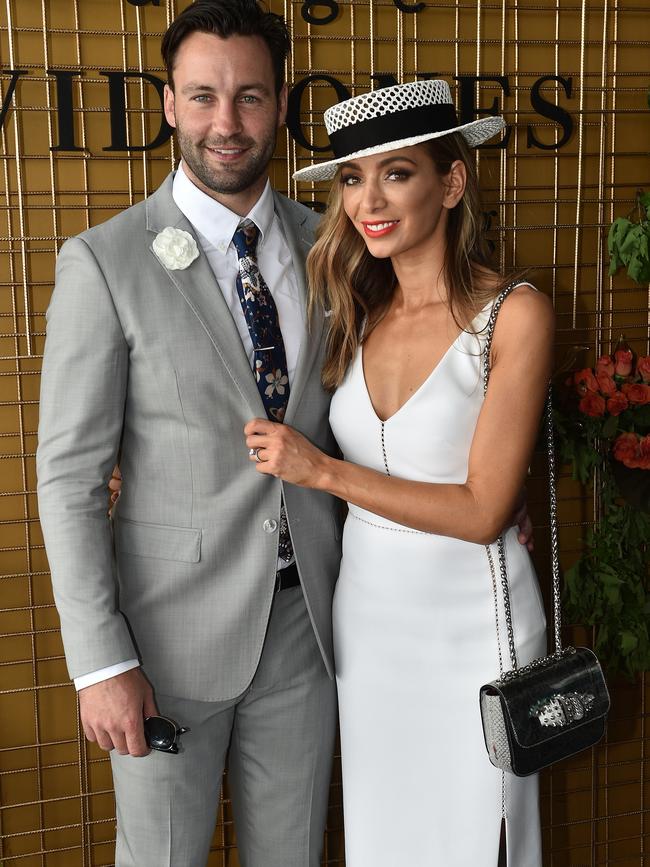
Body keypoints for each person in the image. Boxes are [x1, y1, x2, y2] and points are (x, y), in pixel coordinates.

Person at [36, 2, 341, 865]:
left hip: (308, 630)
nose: (226, 122)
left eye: (249, 97)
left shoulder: (332, 246)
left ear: (281, 104)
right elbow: (68, 477)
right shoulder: (105, 260)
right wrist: (101, 663)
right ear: (169, 103)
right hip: (164, 644)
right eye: (203, 96)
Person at [244, 79, 554, 866]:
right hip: (370, 622)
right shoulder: (350, 312)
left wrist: (323, 473)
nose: (367, 199)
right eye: (351, 177)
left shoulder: (513, 314)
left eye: (397, 172)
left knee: (478, 836)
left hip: (472, 624)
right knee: (387, 838)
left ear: (451, 183)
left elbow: (485, 509)